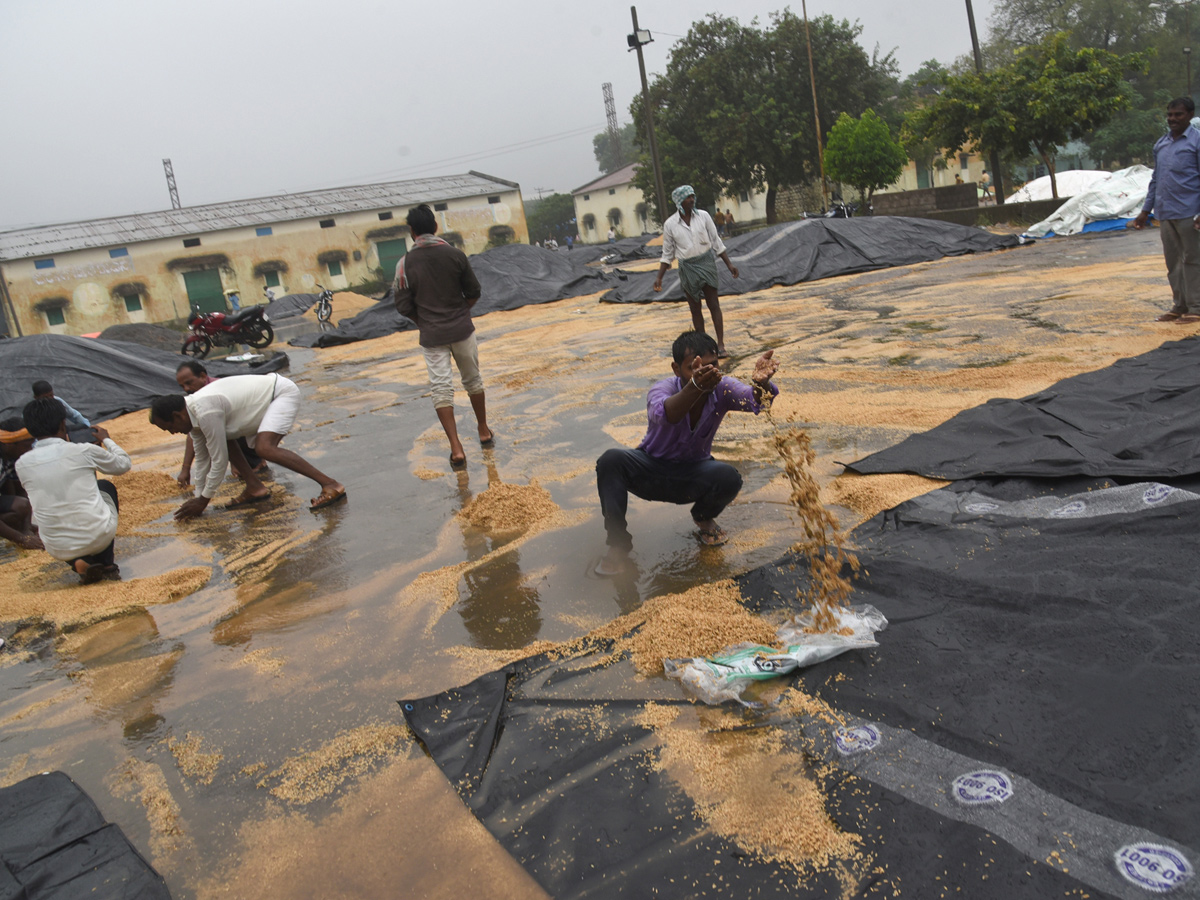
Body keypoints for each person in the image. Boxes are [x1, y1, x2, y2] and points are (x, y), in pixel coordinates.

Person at [594, 330, 778, 576]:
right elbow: (667, 414)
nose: (707, 372)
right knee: (611, 460)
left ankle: (703, 518)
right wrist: (695, 387)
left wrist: (761, 383)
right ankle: (617, 546)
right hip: (650, 470)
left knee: (729, 476)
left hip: (693, 473)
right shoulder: (662, 389)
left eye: (713, 365)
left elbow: (758, 402)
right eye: (695, 368)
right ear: (676, 369)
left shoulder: (721, 388)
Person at [149, 373, 346, 517]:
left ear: (177, 416)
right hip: (258, 403)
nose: (172, 433)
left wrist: (202, 502)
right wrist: (199, 496)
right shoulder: (193, 417)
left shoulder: (204, 410)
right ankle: (254, 487)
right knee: (226, 438)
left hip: (279, 394)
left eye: (169, 427)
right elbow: (202, 459)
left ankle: (330, 484)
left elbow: (218, 462)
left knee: (264, 448)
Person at [394, 203, 494, 469]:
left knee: (441, 389)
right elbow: (473, 290)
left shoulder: (404, 264)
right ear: (436, 227)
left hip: (431, 336)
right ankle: (483, 430)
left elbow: (403, 304)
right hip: (462, 330)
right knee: (473, 380)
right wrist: (460, 311)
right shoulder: (455, 255)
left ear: (412, 231)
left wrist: (424, 321)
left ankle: (456, 447)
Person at [16, 398, 131, 583]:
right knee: (105, 487)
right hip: (98, 536)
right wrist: (107, 439)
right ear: (63, 424)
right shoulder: (82, 450)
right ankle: (107, 564)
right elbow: (123, 465)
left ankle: (78, 562)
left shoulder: (21, 464)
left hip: (56, 547)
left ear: (30, 430)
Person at [1134, 97, 1200, 324]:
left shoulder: (1196, 142)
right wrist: (1145, 210)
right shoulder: (1161, 144)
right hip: (1165, 211)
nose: (1172, 119)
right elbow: (1156, 179)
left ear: (1190, 115)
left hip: (1189, 212)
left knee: (1193, 259)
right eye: (1170, 115)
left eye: (1178, 115)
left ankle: (1196, 307)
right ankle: (1179, 305)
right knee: (1173, 262)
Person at [654, 185, 740, 358]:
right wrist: (659, 278)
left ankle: (721, 345)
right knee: (695, 308)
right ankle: (704, 348)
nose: (692, 200)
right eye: (688, 198)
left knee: (713, 304)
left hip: (706, 263)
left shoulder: (704, 217)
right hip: (687, 267)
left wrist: (729, 264)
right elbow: (668, 254)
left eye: (693, 196)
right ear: (679, 201)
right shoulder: (670, 224)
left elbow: (716, 242)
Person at [173, 360, 266, 486]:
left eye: (189, 383)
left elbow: (239, 423)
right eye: (182, 386)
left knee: (218, 431)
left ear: (202, 376)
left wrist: (238, 462)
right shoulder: (196, 399)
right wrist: (185, 469)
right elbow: (193, 433)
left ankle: (257, 463)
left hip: (255, 419)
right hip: (242, 425)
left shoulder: (218, 391)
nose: (187, 389)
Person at [0, 418, 41, 551]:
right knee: (19, 506)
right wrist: (21, 539)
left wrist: (26, 527)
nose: (30, 450)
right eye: (26, 446)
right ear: (9, 444)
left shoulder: (10, 456)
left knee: (20, 508)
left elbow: (16, 491)